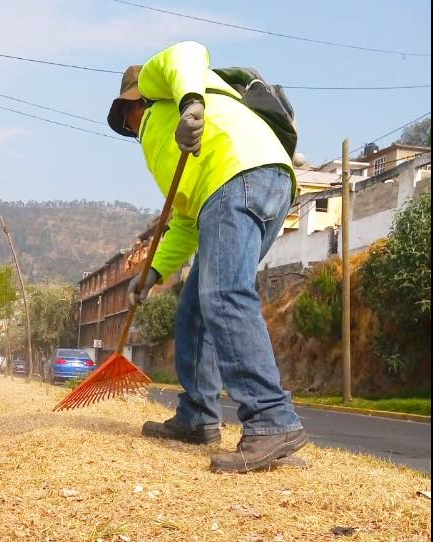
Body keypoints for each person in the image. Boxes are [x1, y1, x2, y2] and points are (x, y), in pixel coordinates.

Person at [108, 41, 307, 473]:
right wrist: (153, 270)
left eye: (128, 115)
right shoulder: (162, 148)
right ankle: (197, 417)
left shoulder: (167, 92)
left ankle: (272, 420)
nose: (130, 126)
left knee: (224, 295)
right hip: (259, 185)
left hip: (239, 177)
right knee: (196, 309)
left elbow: (186, 53)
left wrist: (191, 105)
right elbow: (184, 218)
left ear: (137, 101)